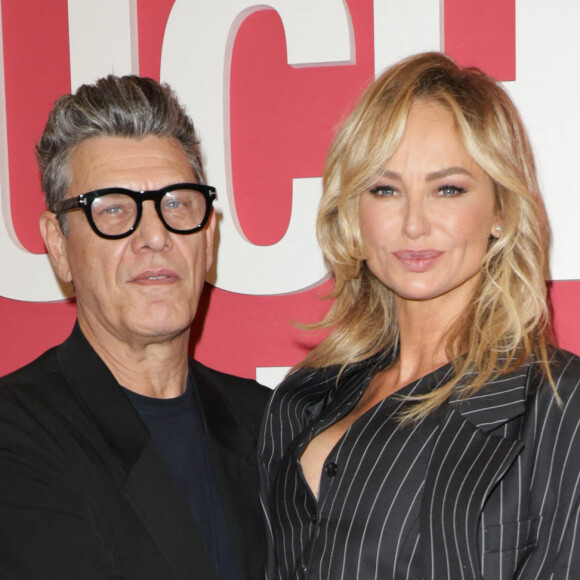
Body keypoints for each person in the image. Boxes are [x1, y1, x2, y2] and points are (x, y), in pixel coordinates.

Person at [259, 52, 580, 579]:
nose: (413, 224)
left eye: (447, 189)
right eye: (385, 190)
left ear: (499, 211)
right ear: (355, 212)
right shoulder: (305, 398)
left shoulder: (557, 404)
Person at [0, 75, 269, 579]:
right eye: (114, 210)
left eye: (176, 203)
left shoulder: (270, 423)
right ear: (58, 246)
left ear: (208, 237)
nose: (154, 236)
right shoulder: (15, 434)